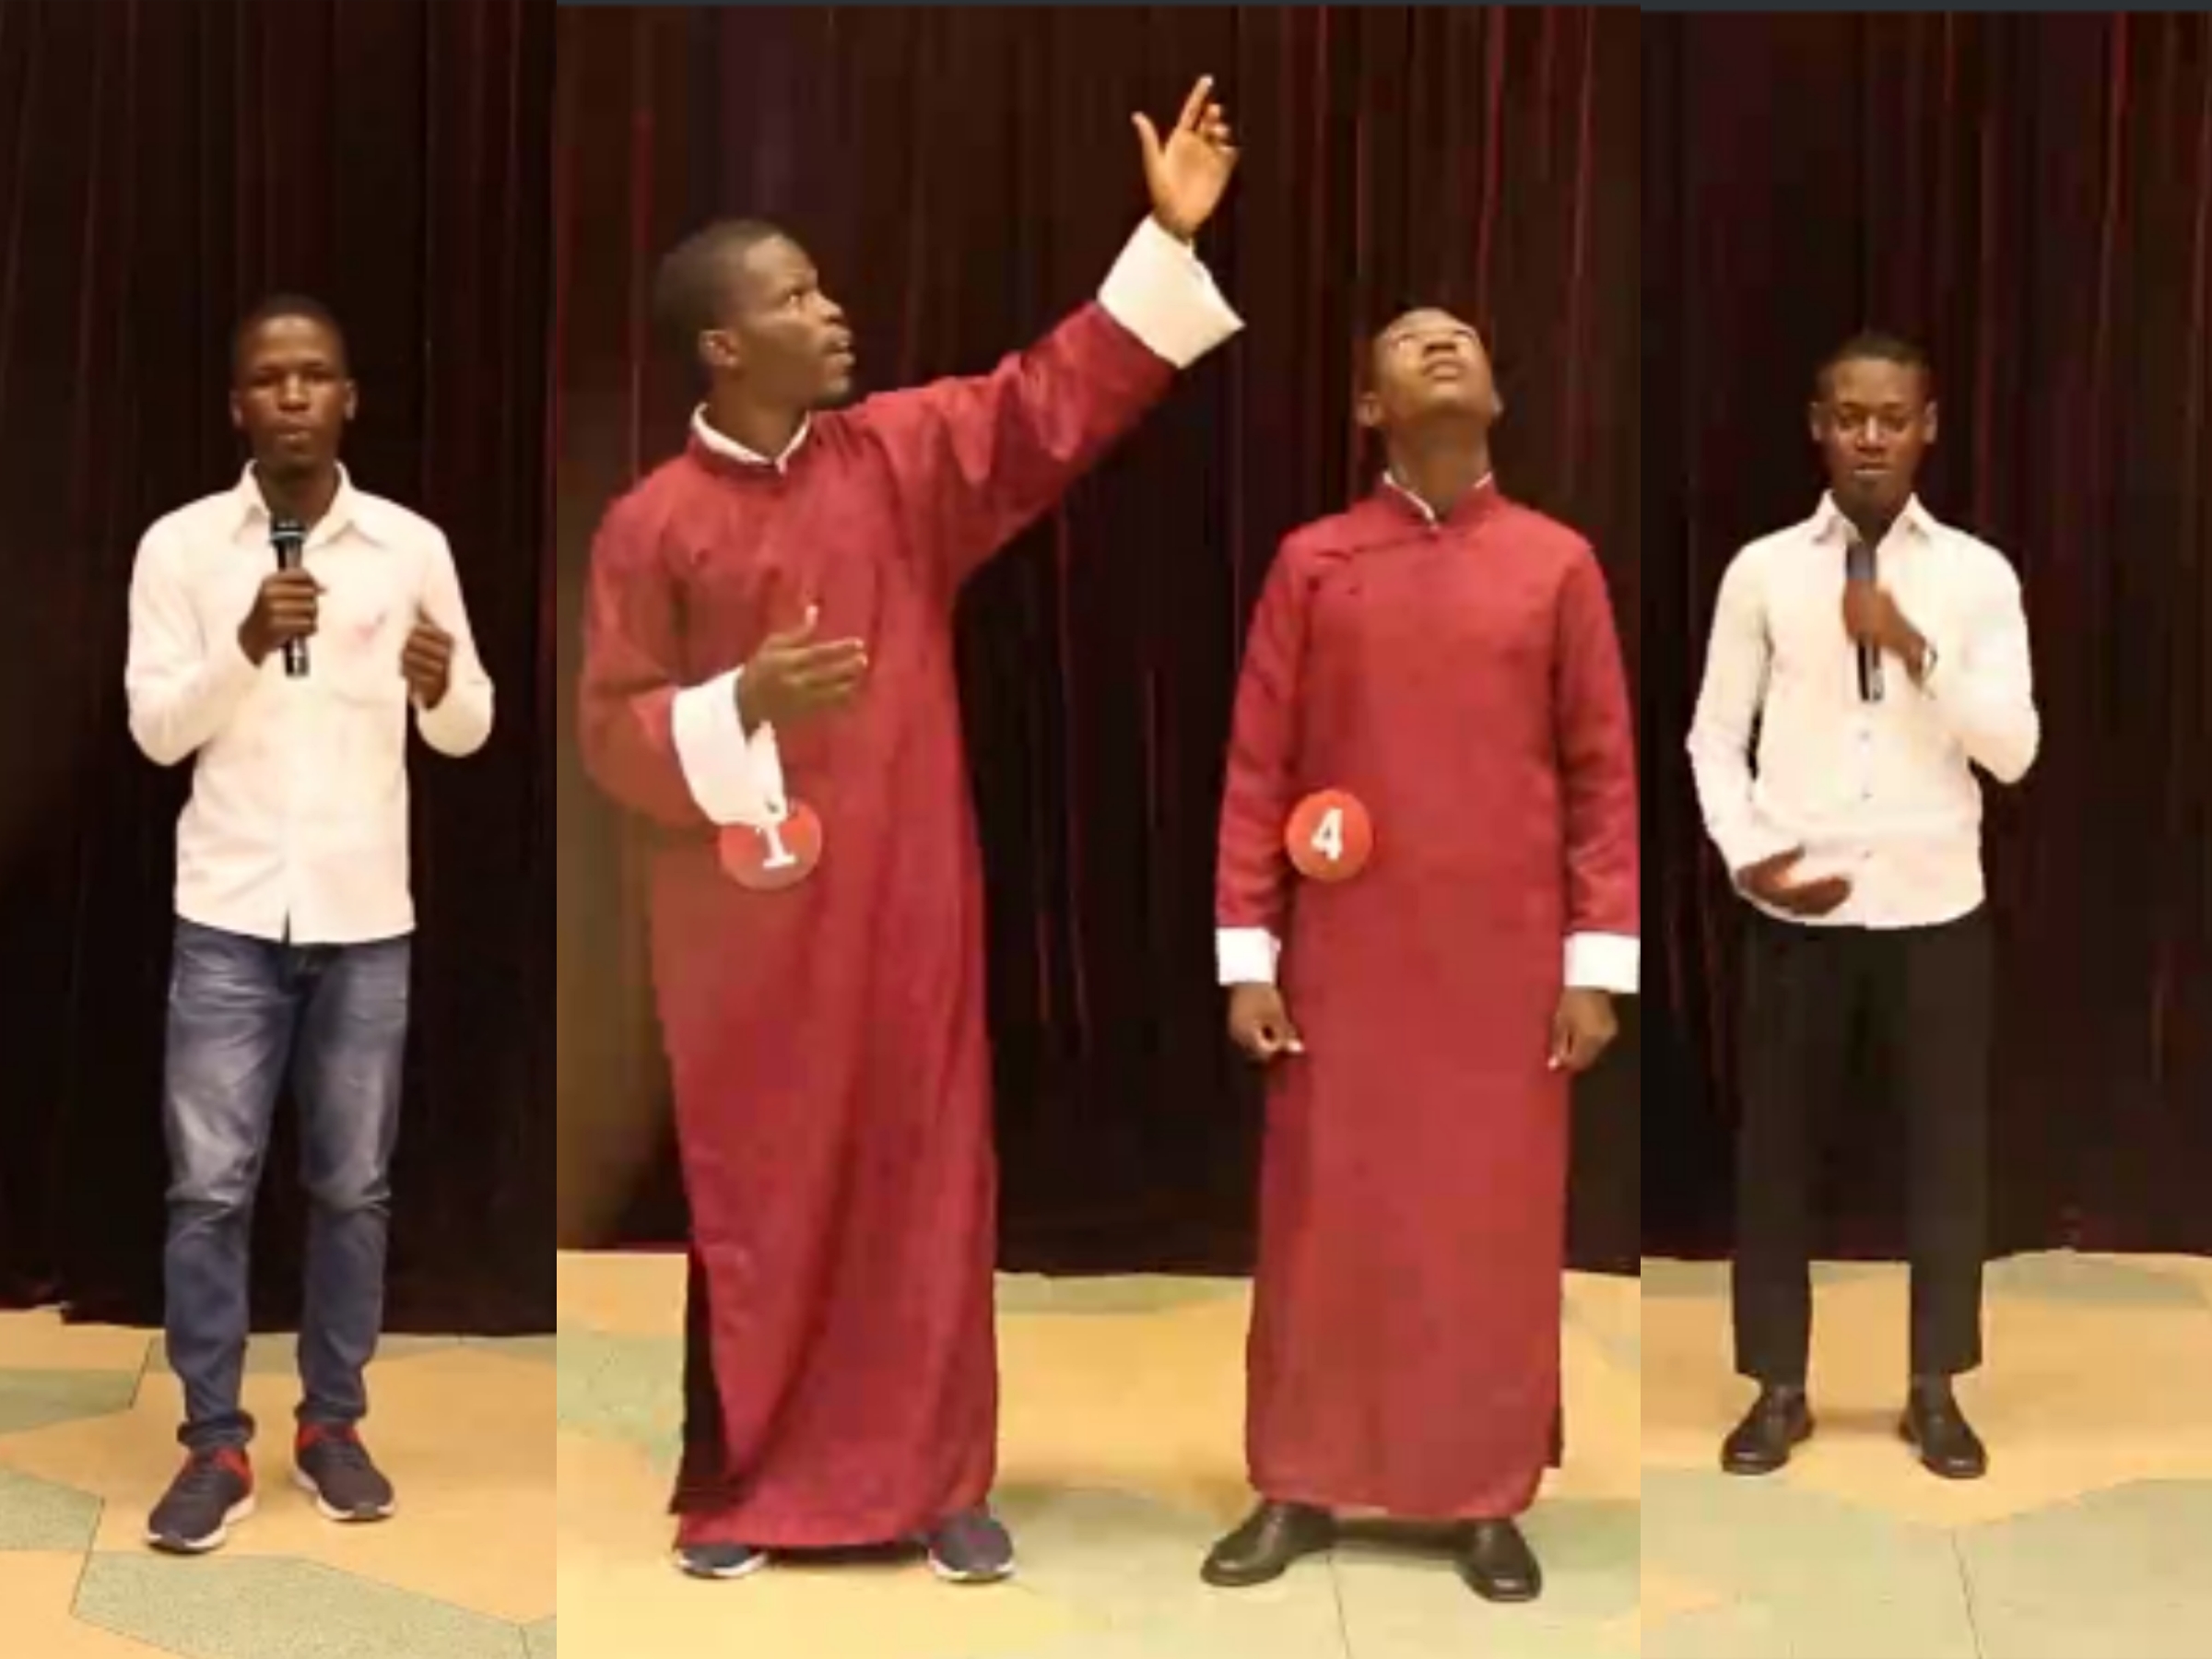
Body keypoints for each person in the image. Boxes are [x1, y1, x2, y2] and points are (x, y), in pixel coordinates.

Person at [575, 78, 1242, 1585]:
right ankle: (755, 1487)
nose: (835, 314)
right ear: (723, 346)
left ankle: (942, 1481)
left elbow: (1046, 402)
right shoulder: (650, 524)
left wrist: (1162, 239)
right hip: (744, 931)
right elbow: (611, 732)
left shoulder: (894, 459)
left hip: (906, 901)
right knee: (769, 1191)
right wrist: (739, 701)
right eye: (797, 297)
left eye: (825, 289)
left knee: (928, 1183)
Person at [1206, 307, 1639, 1603]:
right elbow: (1259, 767)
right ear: (1367, 410)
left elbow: (1602, 777)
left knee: (1491, 1232)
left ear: (1499, 395)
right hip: (1342, 963)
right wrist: (1249, 953)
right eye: (1406, 341)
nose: (1441, 345)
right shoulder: (1313, 564)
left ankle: (1484, 1494)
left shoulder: (1558, 565)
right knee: (1322, 1225)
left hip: (1506, 971)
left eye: (1462, 337)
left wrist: (1594, 966)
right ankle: (1297, 1481)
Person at [123, 295, 495, 1552]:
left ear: (350, 400)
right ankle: (213, 1444)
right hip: (226, 914)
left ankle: (333, 1425)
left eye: (316, 375)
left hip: (365, 919)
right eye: (270, 378)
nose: (293, 395)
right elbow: (154, 732)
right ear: (237, 406)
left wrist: (444, 694)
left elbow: (472, 724)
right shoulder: (181, 548)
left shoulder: (408, 547)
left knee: (352, 1188)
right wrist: (242, 645)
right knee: (208, 1190)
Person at [1687, 331, 2039, 1481]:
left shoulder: (1977, 576)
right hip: (1801, 912)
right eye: (1850, 418)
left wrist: (1916, 648)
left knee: (1945, 1158)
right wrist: (1749, 859)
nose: (1871, 438)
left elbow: (2017, 751)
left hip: (1936, 912)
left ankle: (1935, 1390)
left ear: (1929, 428)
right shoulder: (1763, 571)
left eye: (1893, 418)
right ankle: (1777, 1390)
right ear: (1818, 428)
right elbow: (1712, 738)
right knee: (1776, 1160)